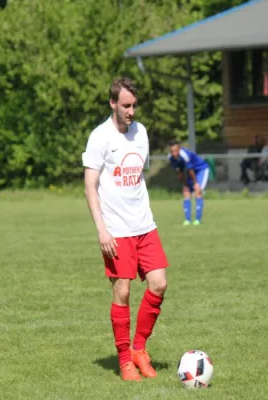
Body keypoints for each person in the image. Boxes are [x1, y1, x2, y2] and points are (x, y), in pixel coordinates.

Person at [82, 78, 169, 381]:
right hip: (116, 229)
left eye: (134, 105)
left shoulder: (141, 133)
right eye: (126, 106)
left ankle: (139, 349)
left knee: (159, 284)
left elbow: (136, 180)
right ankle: (124, 361)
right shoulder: (99, 137)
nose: (132, 111)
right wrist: (102, 230)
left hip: (144, 224)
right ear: (112, 104)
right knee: (123, 290)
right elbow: (90, 187)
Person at [168, 140, 210, 226]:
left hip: (201, 170)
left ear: (179, 149)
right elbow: (179, 172)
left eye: (176, 151)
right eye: (172, 151)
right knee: (186, 192)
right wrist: (185, 184)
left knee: (197, 191)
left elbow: (190, 170)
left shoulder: (185, 155)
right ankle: (187, 220)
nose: (174, 154)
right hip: (190, 172)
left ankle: (197, 220)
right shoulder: (170, 157)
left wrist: (195, 183)